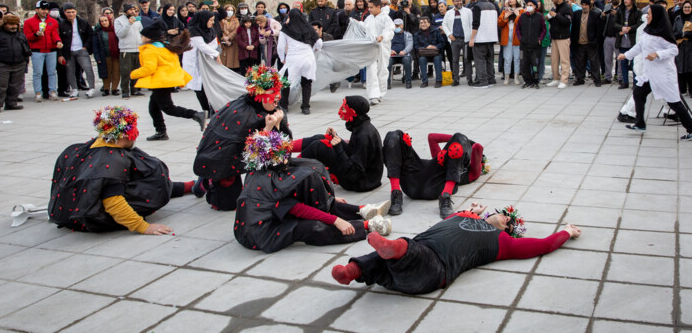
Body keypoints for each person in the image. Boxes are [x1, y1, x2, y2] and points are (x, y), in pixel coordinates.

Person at [331, 204, 582, 295]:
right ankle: (351, 271)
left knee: (410, 250)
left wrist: (566, 232)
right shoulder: (461, 216)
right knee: (380, 261)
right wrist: (473, 211)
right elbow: (460, 214)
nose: (506, 219)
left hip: (434, 270)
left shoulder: (504, 243)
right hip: (400, 270)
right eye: (505, 215)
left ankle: (393, 248)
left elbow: (543, 244)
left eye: (510, 223)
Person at [234, 129, 391, 253]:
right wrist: (335, 220)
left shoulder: (263, 170)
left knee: (325, 203)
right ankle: (368, 225)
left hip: (275, 213)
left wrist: (330, 198)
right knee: (312, 227)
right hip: (261, 233)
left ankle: (363, 210)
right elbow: (298, 209)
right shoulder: (269, 183)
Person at [48, 106, 197, 234]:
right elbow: (113, 202)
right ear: (126, 133)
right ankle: (188, 187)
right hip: (93, 216)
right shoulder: (111, 160)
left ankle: (186, 187)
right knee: (149, 182)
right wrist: (143, 227)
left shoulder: (86, 147)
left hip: (67, 212)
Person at [193, 65, 292, 210]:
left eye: (278, 92)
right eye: (272, 93)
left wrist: (276, 127)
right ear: (258, 95)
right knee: (227, 204)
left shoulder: (276, 111)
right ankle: (208, 179)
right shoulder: (241, 113)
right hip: (225, 159)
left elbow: (282, 155)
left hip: (254, 155)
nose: (277, 97)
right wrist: (268, 129)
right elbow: (241, 151)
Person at [619, 4, 692, 140]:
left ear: (657, 16)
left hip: (663, 74)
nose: (647, 15)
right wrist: (626, 55)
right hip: (650, 73)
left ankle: (691, 127)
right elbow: (640, 46)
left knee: (674, 102)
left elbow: (674, 50)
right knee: (638, 92)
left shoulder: (664, 32)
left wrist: (657, 54)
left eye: (650, 13)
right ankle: (640, 123)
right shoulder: (648, 30)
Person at [130, 19, 205, 141]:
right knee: (153, 107)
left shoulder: (149, 50)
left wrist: (133, 74)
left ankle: (195, 114)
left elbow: (149, 68)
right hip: (166, 80)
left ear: (149, 38)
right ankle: (161, 132)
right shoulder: (165, 47)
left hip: (161, 82)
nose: (141, 37)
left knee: (168, 108)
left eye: (143, 35)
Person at [384, 130, 486, 217]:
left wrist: (467, 142)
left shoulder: (471, 173)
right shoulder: (451, 159)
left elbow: (478, 148)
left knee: (459, 138)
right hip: (416, 178)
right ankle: (396, 192)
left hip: (436, 184)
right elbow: (432, 137)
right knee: (394, 136)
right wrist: (465, 143)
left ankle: (446, 195)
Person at [295, 96, 384, 192]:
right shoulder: (361, 126)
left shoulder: (363, 135)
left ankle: (290, 168)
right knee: (322, 138)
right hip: (362, 177)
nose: (339, 111)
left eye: (343, 108)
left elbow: (354, 172)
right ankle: (287, 148)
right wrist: (337, 139)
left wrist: (338, 147)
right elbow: (353, 152)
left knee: (318, 146)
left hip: (360, 183)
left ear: (353, 112)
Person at [0, 13, 30, 114]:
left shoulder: (20, 35)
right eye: (11, 24)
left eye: (15, 24)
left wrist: (25, 60)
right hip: (1, 65)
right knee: (0, 86)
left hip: (18, 64)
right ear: (4, 24)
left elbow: (26, 47)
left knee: (15, 86)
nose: (13, 26)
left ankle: (11, 103)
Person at [278, 9, 323, 115]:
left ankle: (284, 105)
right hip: (307, 57)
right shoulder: (308, 27)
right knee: (306, 83)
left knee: (286, 82)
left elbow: (280, 46)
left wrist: (281, 58)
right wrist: (316, 49)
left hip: (293, 58)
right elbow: (319, 41)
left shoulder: (285, 29)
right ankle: (305, 107)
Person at [182, 9, 220, 117]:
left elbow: (213, 44)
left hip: (206, 62)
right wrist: (216, 54)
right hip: (194, 62)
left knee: (208, 86)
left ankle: (213, 107)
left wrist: (214, 52)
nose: (212, 23)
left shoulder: (210, 30)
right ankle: (205, 109)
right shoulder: (194, 31)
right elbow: (202, 46)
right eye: (211, 20)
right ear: (204, 20)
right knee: (199, 89)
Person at [57, 3, 96, 99]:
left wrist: (86, 46)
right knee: (70, 71)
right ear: (64, 13)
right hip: (68, 51)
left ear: (76, 12)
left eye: (73, 12)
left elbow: (90, 35)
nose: (71, 14)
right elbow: (59, 39)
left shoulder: (83, 22)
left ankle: (91, 88)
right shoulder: (61, 24)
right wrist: (60, 55)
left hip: (81, 50)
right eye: (68, 12)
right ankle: (74, 89)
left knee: (88, 69)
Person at [363, 0, 395, 105]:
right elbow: (365, 31)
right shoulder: (368, 19)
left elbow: (390, 30)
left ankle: (381, 92)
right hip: (370, 47)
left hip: (383, 47)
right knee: (371, 70)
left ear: (378, 7)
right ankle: (373, 95)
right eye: (369, 7)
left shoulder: (386, 18)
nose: (370, 10)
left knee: (382, 69)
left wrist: (382, 36)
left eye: (372, 7)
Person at [469, 0, 499, 88]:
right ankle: (491, 80)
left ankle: (482, 81)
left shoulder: (477, 6)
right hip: (491, 37)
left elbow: (475, 24)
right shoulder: (493, 5)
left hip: (481, 37)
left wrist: (472, 38)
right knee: (489, 59)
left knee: (480, 60)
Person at [571, 0, 602, 87]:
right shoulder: (576, 14)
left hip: (591, 43)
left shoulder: (595, 15)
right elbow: (574, 29)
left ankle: (597, 79)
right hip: (579, 43)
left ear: (589, 5)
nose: (584, 6)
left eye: (586, 5)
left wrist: (596, 41)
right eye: (583, 5)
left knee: (594, 62)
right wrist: (573, 40)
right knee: (580, 62)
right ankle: (580, 79)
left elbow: (598, 30)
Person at [614, 0, 643, 90]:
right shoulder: (620, 11)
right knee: (623, 62)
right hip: (622, 39)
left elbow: (640, 24)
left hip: (632, 40)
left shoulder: (637, 12)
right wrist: (621, 28)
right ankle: (625, 82)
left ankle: (635, 82)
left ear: (632, 0)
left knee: (634, 63)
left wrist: (630, 28)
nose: (625, 1)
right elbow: (614, 23)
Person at [115, 4, 145, 99]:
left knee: (136, 71)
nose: (132, 11)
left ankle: (134, 89)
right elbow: (120, 34)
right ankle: (125, 91)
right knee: (126, 71)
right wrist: (129, 24)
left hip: (138, 49)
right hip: (126, 50)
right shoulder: (119, 20)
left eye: (134, 9)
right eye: (130, 10)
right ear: (125, 11)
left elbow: (141, 33)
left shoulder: (137, 20)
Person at [442, 0, 472, 87]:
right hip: (454, 40)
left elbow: (472, 24)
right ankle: (456, 79)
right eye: (457, 1)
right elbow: (444, 24)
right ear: (453, 2)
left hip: (466, 39)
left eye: (460, 0)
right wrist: (449, 35)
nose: (459, 2)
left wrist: (471, 37)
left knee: (467, 59)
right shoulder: (449, 13)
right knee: (455, 60)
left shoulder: (468, 11)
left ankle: (469, 79)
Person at [517, 0, 547, 89]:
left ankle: (535, 81)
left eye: (531, 5)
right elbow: (518, 29)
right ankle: (527, 81)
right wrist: (520, 38)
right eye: (527, 5)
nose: (529, 7)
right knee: (524, 65)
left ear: (534, 6)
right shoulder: (522, 16)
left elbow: (544, 29)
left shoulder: (539, 16)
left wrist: (540, 38)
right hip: (524, 46)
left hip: (535, 46)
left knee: (535, 65)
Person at [546, 0, 573, 89]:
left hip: (563, 38)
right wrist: (549, 18)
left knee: (564, 60)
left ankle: (564, 80)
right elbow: (555, 21)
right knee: (554, 60)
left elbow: (567, 22)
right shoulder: (555, 8)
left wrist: (556, 15)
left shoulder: (566, 8)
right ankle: (556, 78)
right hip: (555, 37)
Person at [92, 15, 120, 96]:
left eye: (106, 20)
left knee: (116, 72)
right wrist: (97, 57)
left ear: (109, 21)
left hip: (116, 55)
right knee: (106, 72)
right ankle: (106, 89)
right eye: (102, 21)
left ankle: (114, 89)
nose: (104, 22)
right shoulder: (98, 32)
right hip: (104, 55)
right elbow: (95, 46)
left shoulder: (115, 30)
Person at [414, 17, 445, 88]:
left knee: (437, 59)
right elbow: (416, 46)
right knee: (422, 60)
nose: (423, 24)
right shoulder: (417, 34)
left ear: (429, 23)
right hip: (424, 54)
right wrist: (424, 47)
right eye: (421, 23)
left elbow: (442, 43)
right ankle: (424, 81)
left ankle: (438, 80)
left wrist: (435, 47)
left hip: (435, 53)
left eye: (425, 22)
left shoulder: (436, 31)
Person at [498, 0, 523, 85]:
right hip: (506, 36)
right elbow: (500, 23)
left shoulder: (521, 11)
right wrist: (505, 16)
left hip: (516, 37)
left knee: (516, 58)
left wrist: (518, 15)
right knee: (507, 58)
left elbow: (522, 23)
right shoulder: (505, 11)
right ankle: (507, 76)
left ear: (517, 0)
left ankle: (516, 77)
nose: (510, 0)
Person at [601, 0, 622, 84]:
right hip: (608, 36)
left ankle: (620, 77)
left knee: (620, 59)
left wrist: (616, 15)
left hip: (618, 37)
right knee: (607, 59)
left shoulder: (622, 8)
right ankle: (608, 77)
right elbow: (602, 20)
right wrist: (603, 15)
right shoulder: (607, 7)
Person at [673, 0, 692, 96]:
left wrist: (687, 34)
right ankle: (682, 90)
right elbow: (674, 33)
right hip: (680, 47)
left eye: (688, 7)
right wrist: (681, 34)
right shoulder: (677, 18)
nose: (687, 9)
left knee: (690, 69)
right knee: (680, 69)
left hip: (690, 47)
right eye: (685, 7)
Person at [388, 18, 413, 89]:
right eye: (395, 26)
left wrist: (404, 51)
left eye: (398, 25)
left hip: (404, 55)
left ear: (402, 26)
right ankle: (387, 83)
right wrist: (390, 50)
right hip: (393, 55)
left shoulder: (408, 35)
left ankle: (408, 82)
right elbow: (386, 44)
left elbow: (410, 45)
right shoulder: (390, 35)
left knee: (407, 61)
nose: (396, 27)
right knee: (387, 62)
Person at [219, 4, 240, 72]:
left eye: (231, 10)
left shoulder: (235, 20)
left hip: (233, 42)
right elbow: (219, 29)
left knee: (232, 60)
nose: (230, 11)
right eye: (228, 10)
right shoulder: (221, 20)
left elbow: (236, 30)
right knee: (224, 59)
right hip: (223, 42)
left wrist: (229, 37)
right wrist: (224, 37)